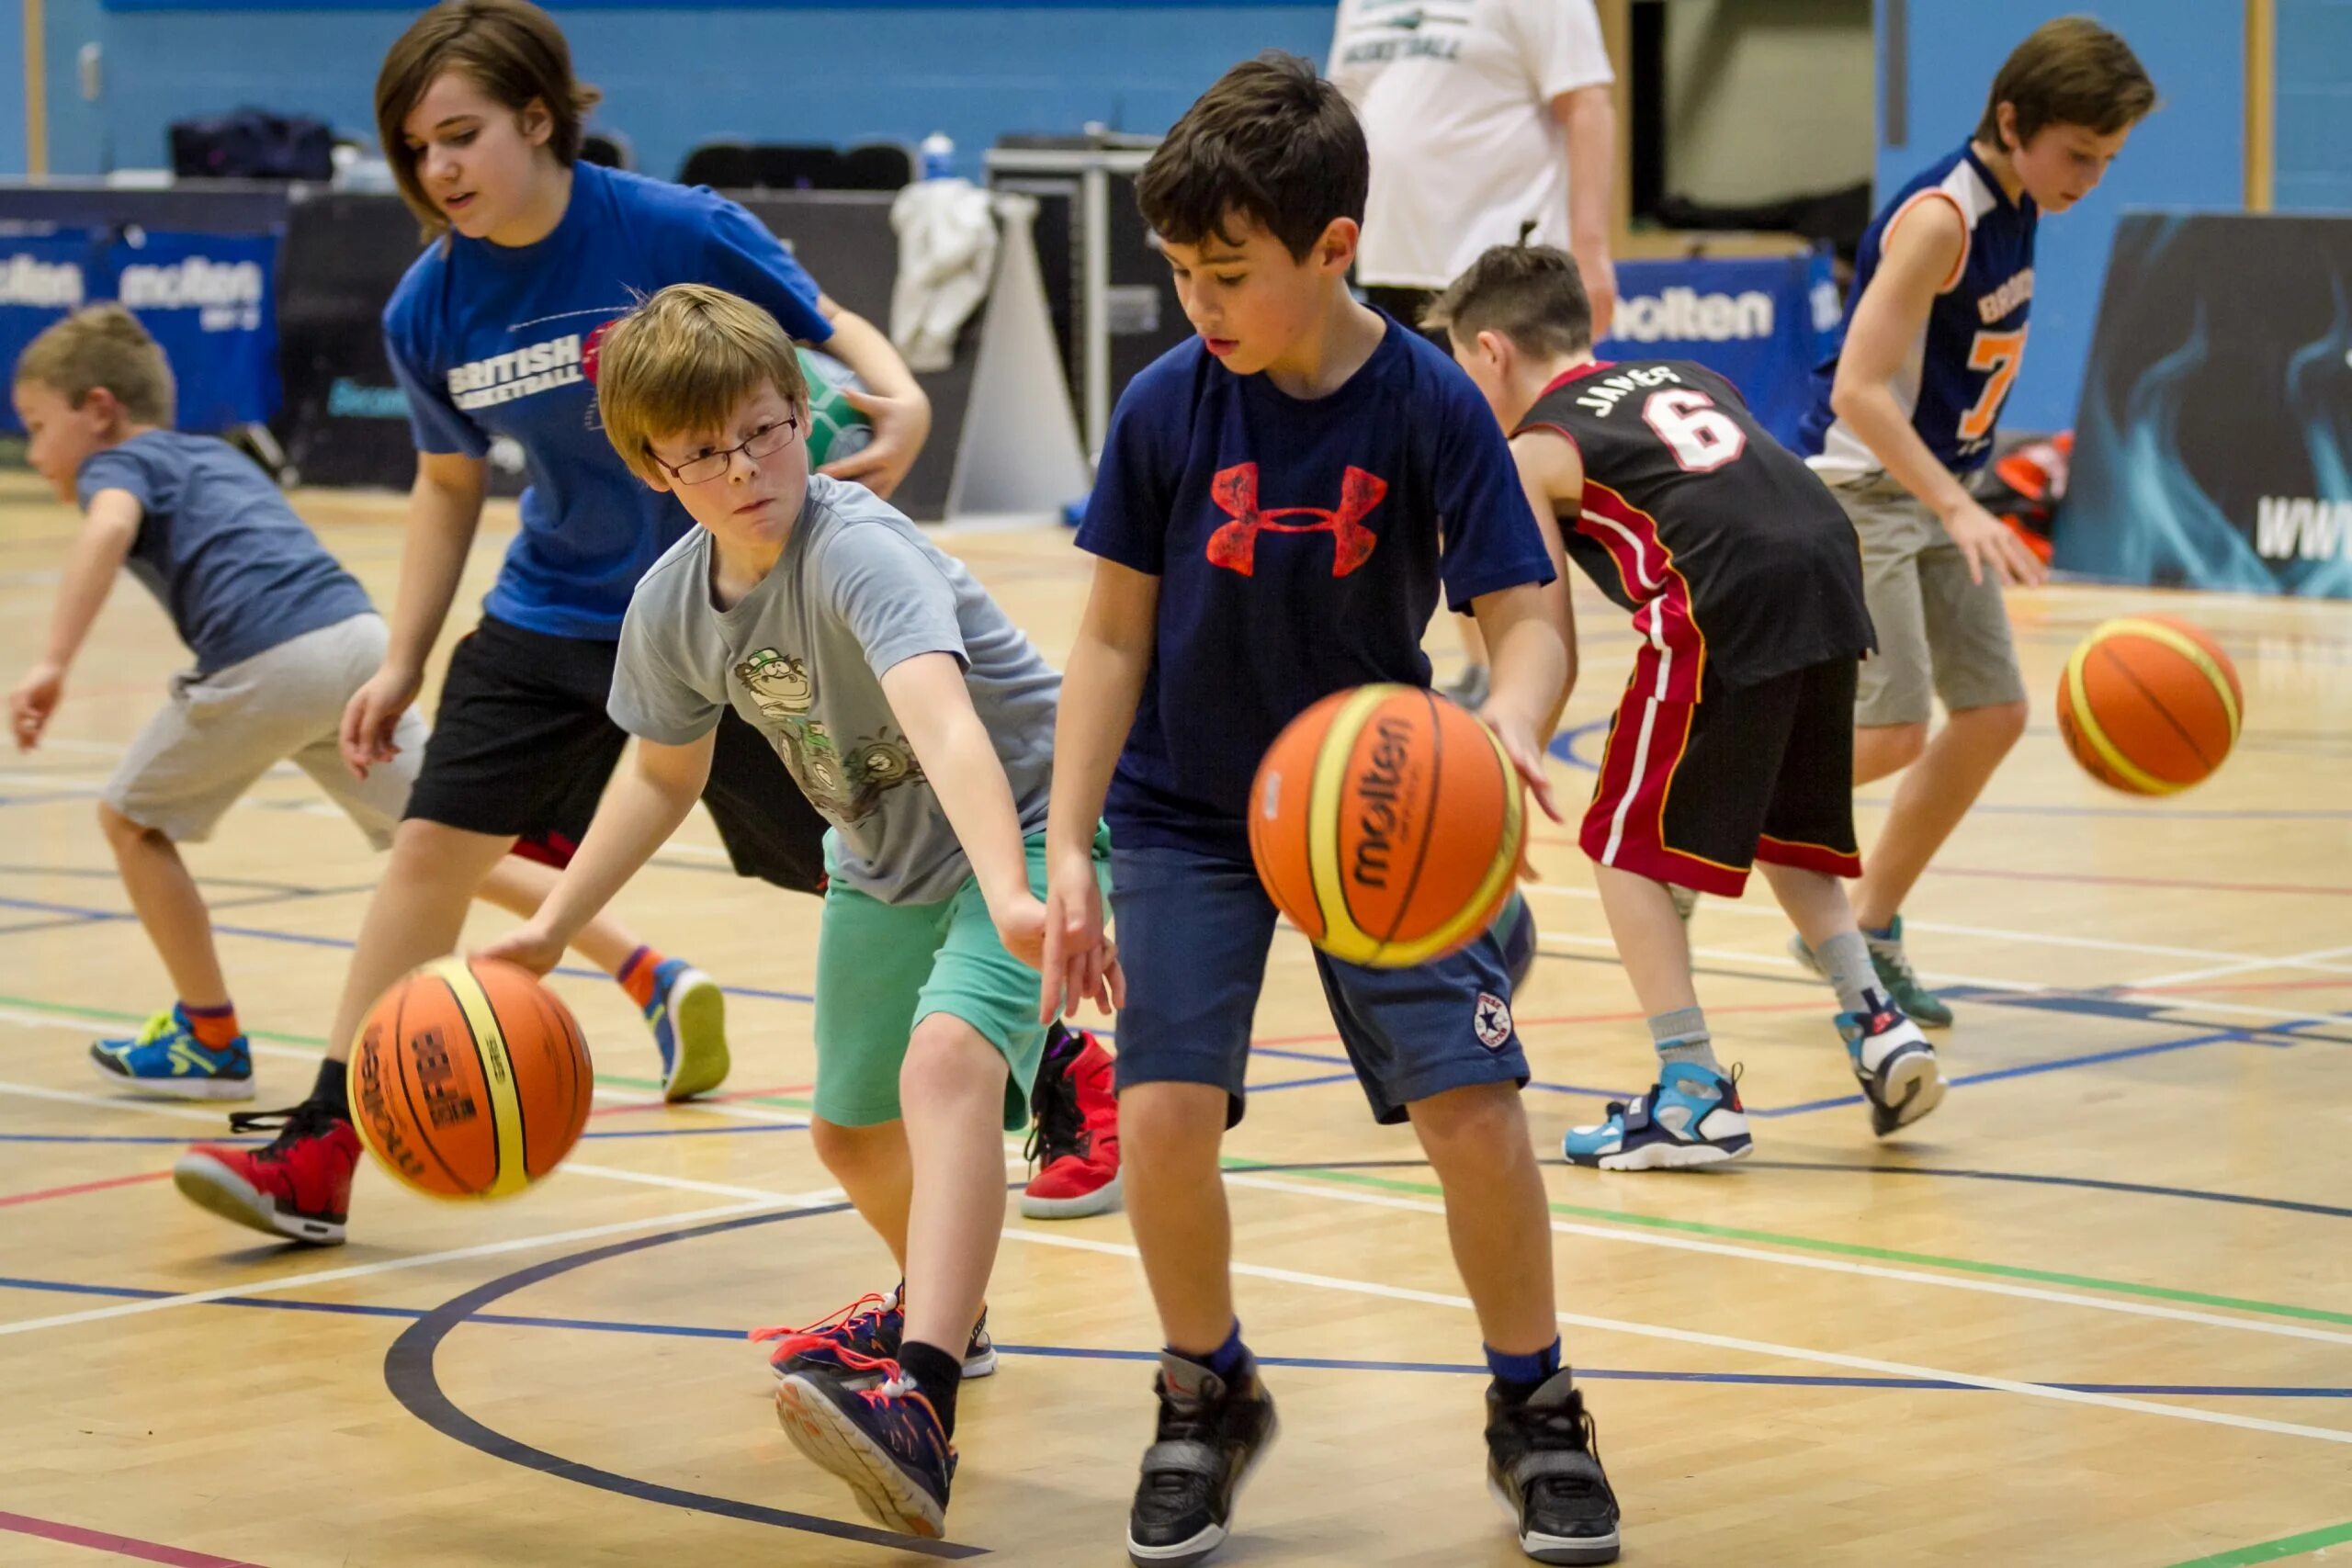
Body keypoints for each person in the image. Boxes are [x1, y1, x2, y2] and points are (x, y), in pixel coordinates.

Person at [167, 0, 933, 1247]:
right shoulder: (432, 305)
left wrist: (901, 397)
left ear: (540, 118)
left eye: (462, 134)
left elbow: (826, 324)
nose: (441, 169)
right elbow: (448, 483)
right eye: (418, 149)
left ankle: (1053, 1058)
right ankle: (323, 1144)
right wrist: (405, 655)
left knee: (855, 860)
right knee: (429, 851)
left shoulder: (674, 228)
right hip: (548, 615)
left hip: (722, 610)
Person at [1039, 54, 1622, 1568]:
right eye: (1177, 272)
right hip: (1184, 810)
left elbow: (1530, 616)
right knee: (1162, 1119)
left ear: (1336, 248)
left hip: (1381, 807)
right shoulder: (1170, 404)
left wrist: (1502, 733)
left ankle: (1537, 1403)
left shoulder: (1430, 402)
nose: (1197, 304)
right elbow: (1108, 637)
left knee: (1475, 1116)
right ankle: (1200, 1387)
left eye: (1228, 273)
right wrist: (1067, 845)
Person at [477, 283, 1105, 1539]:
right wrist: (554, 928)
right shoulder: (670, 604)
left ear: (800, 413)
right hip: (878, 852)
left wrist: (1018, 892)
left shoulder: (860, 547)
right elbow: (663, 774)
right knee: (850, 1132)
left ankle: (919, 1395)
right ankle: (950, 1309)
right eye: (704, 451)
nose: (746, 465)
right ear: (654, 464)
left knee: (943, 1070)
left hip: (1029, 821)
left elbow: (945, 719)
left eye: (766, 429)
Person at [6, 305, 690, 1123]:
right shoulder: (209, 458)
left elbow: (110, 526)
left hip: (268, 658)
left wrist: (51, 662)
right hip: (359, 646)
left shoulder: (116, 467)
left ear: (98, 411)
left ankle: (209, 1036)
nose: (36, 449)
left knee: (129, 821)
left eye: (38, 426)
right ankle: (650, 973)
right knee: (441, 848)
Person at [1430, 244, 1944, 1167]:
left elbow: (1546, 634)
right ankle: (1879, 1025)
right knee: (1785, 830)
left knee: (1619, 848)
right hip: (1830, 568)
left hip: (1722, 596)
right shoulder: (1686, 374)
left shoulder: (1529, 450)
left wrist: (1505, 780)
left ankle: (1692, 1092)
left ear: (1493, 353)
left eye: (1464, 365)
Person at [1793, 18, 2154, 1024]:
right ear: (2011, 120)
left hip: (1934, 489)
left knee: (1992, 715)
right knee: (1897, 725)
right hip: (1863, 487)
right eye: (2078, 153)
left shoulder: (2022, 200)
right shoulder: (1939, 219)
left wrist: (1955, 494)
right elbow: (1861, 390)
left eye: (2106, 158)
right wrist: (1960, 505)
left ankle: (1869, 925)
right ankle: (1702, 818)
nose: (2088, 177)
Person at [1330, 0, 1619, 711]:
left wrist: (1592, 249)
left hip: (1489, 271)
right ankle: (1477, 663)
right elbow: (1342, 112)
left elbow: (1587, 105)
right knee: (1420, 482)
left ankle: (1517, 669)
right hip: (1389, 264)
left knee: (1492, 480)